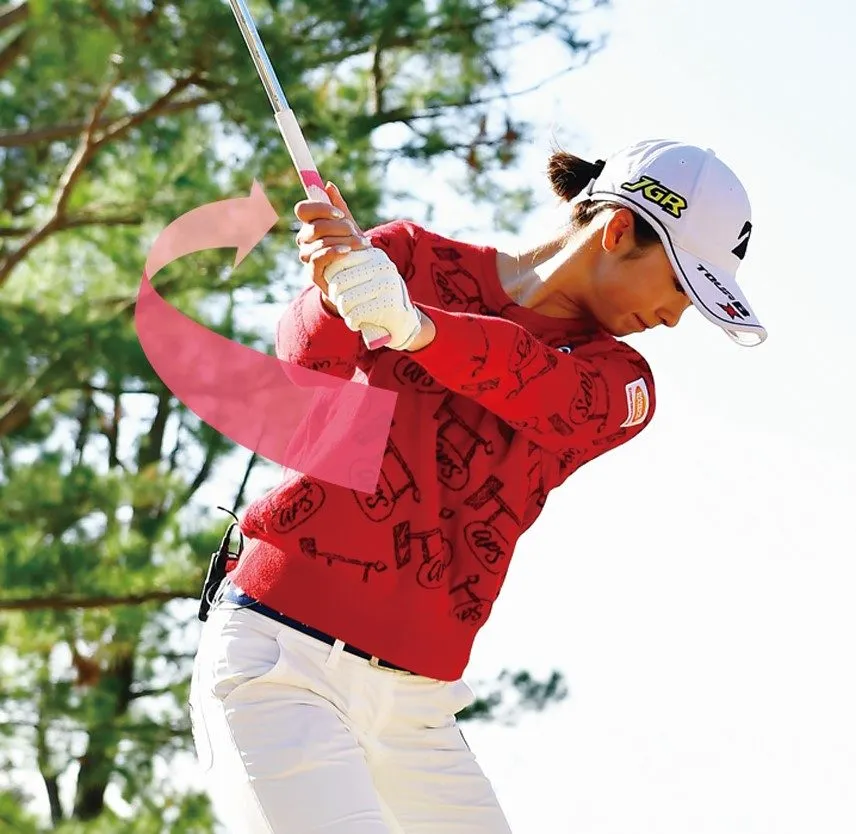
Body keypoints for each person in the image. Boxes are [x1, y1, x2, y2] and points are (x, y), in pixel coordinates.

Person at [188, 138, 766, 834]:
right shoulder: (405, 259)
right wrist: (334, 292)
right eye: (678, 286)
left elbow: (544, 387)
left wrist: (416, 328)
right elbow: (305, 371)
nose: (675, 318)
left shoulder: (624, 383)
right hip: (281, 666)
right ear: (617, 231)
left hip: (419, 713)